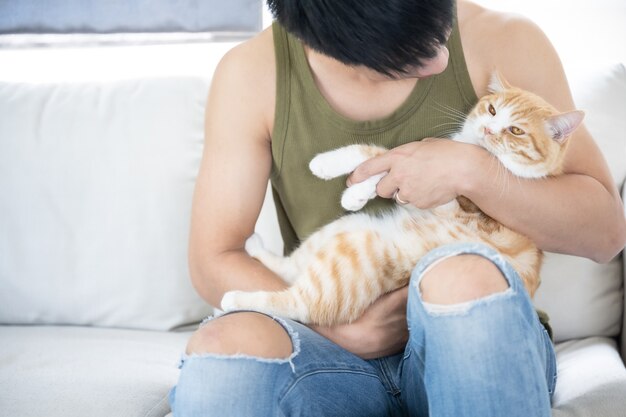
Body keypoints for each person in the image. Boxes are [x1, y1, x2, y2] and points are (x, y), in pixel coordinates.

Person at [169, 0, 626, 415]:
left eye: (439, 29)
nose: (442, 59)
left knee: (460, 275)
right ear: (332, 43)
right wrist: (339, 329)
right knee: (223, 345)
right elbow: (215, 258)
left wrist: (472, 171)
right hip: (328, 347)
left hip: (471, 336)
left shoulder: (504, 39)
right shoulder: (252, 73)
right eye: (414, 54)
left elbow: (606, 233)